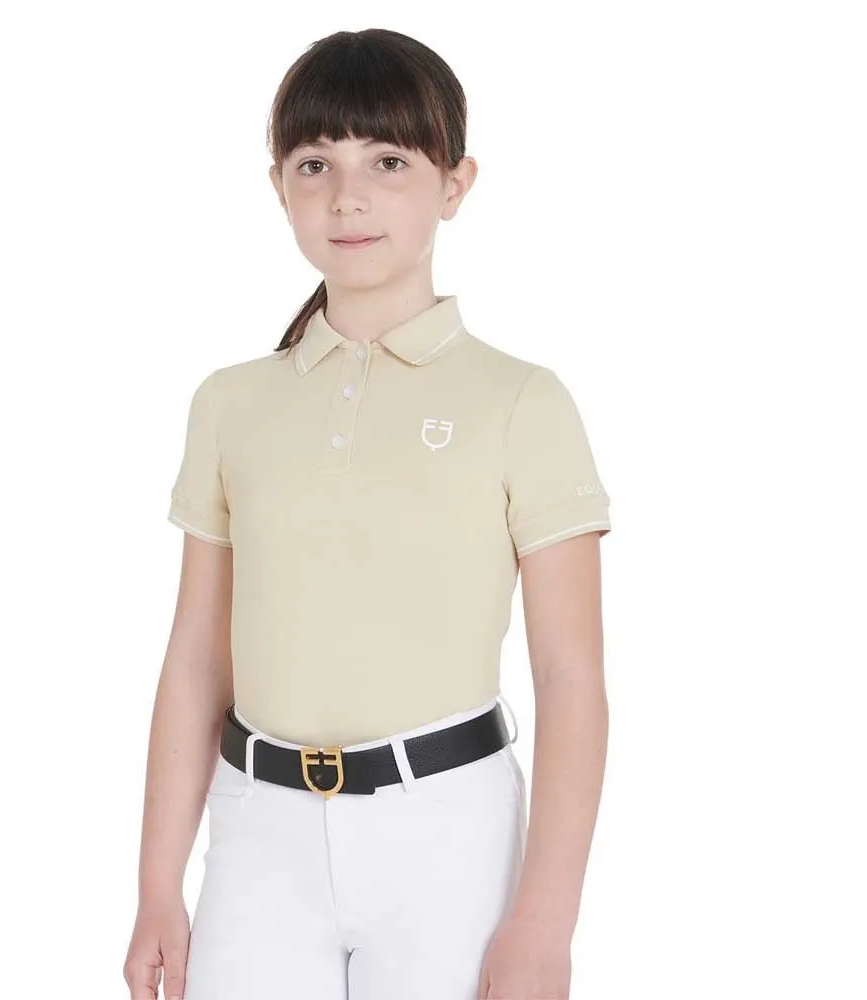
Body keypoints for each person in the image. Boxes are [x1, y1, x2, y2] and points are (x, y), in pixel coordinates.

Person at [123, 27, 612, 1000]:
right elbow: (197, 659)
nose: (347, 197)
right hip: (258, 834)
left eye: (388, 161)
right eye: (315, 164)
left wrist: (544, 924)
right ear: (279, 185)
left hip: (447, 833)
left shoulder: (520, 400)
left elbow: (570, 678)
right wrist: (156, 887)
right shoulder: (231, 403)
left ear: (455, 183)